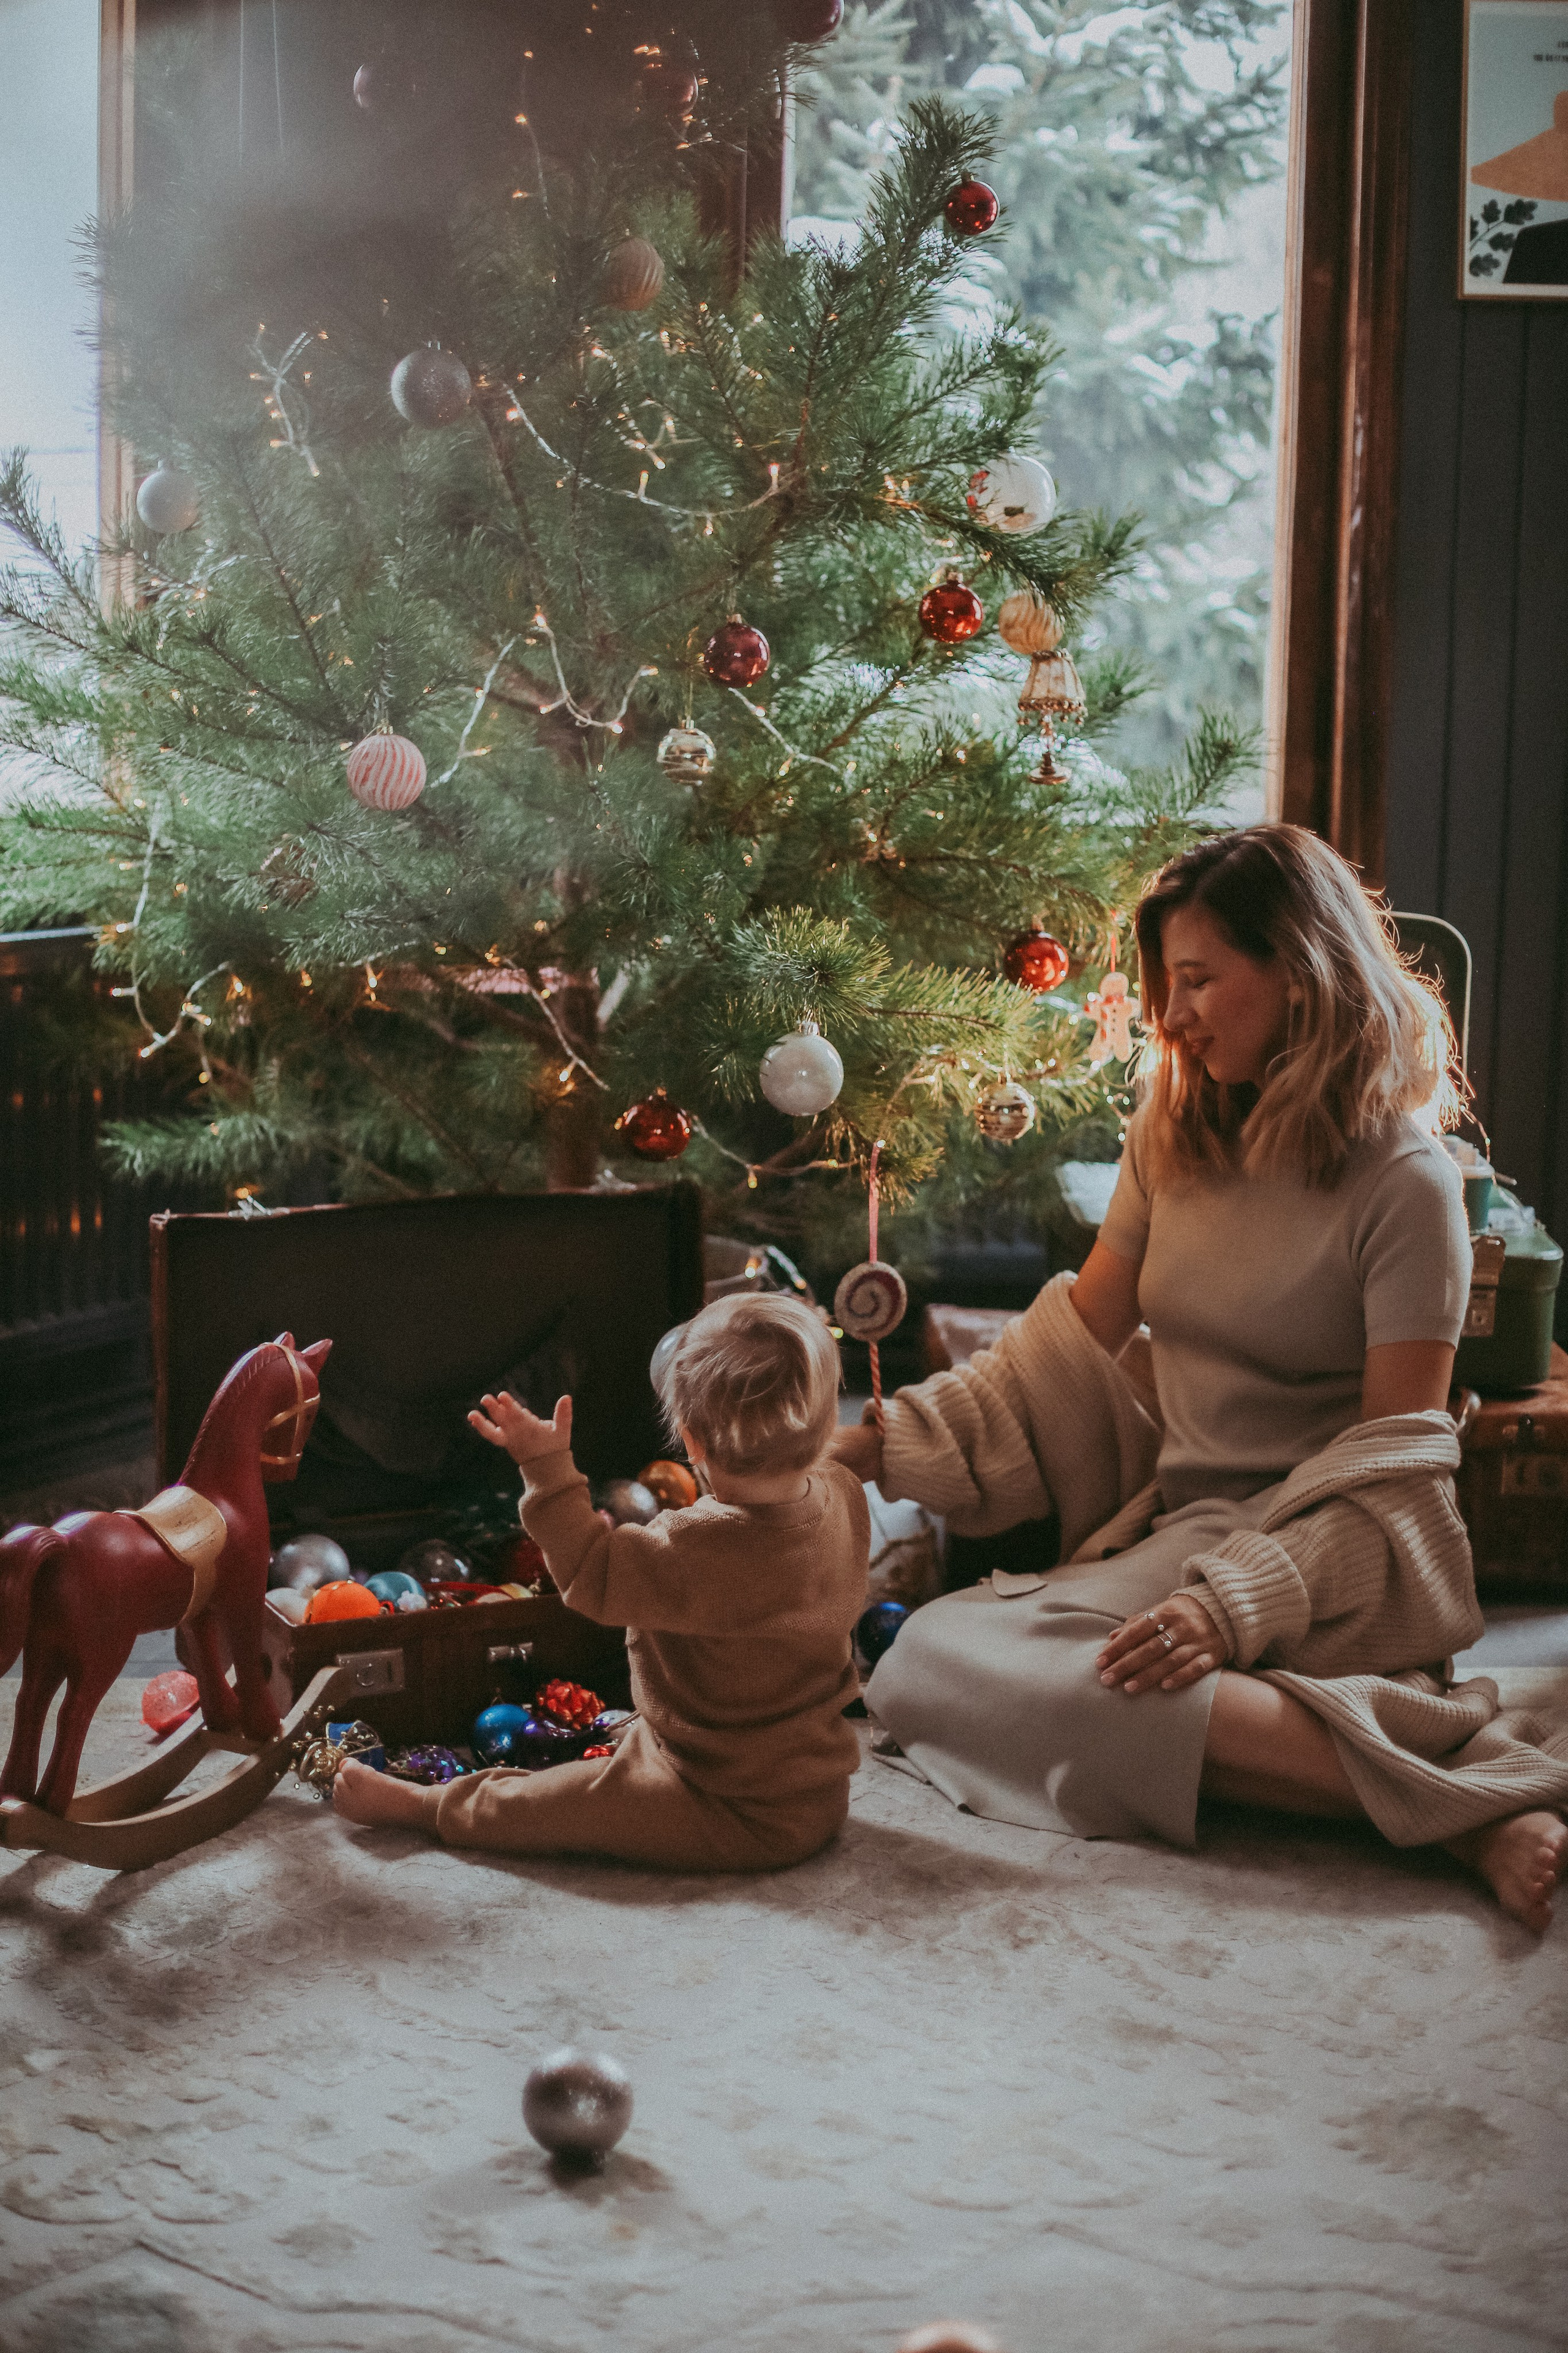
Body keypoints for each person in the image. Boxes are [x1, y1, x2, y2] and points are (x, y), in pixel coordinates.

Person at [834, 826, 1568, 1931]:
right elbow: (1072, 1338)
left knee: (1089, 1689)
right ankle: (1391, 1773)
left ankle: (1459, 1806)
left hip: (1326, 1559)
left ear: (1302, 972)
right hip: (1183, 1531)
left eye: (1195, 981)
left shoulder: (1410, 1183)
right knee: (930, 1660)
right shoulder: (1170, 1129)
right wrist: (889, 1439)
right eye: (1164, 984)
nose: (1169, 1015)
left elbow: (1398, 1464)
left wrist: (1240, 1606)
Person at [335, 1291, 870, 1872]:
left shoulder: (698, 1547)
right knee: (609, 1741)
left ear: (690, 1441)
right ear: (821, 1429)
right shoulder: (841, 1494)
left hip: (731, 1806)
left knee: (563, 1804)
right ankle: (639, 1747)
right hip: (814, 1786)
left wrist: (546, 1467)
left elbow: (592, 1568)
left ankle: (424, 1805)